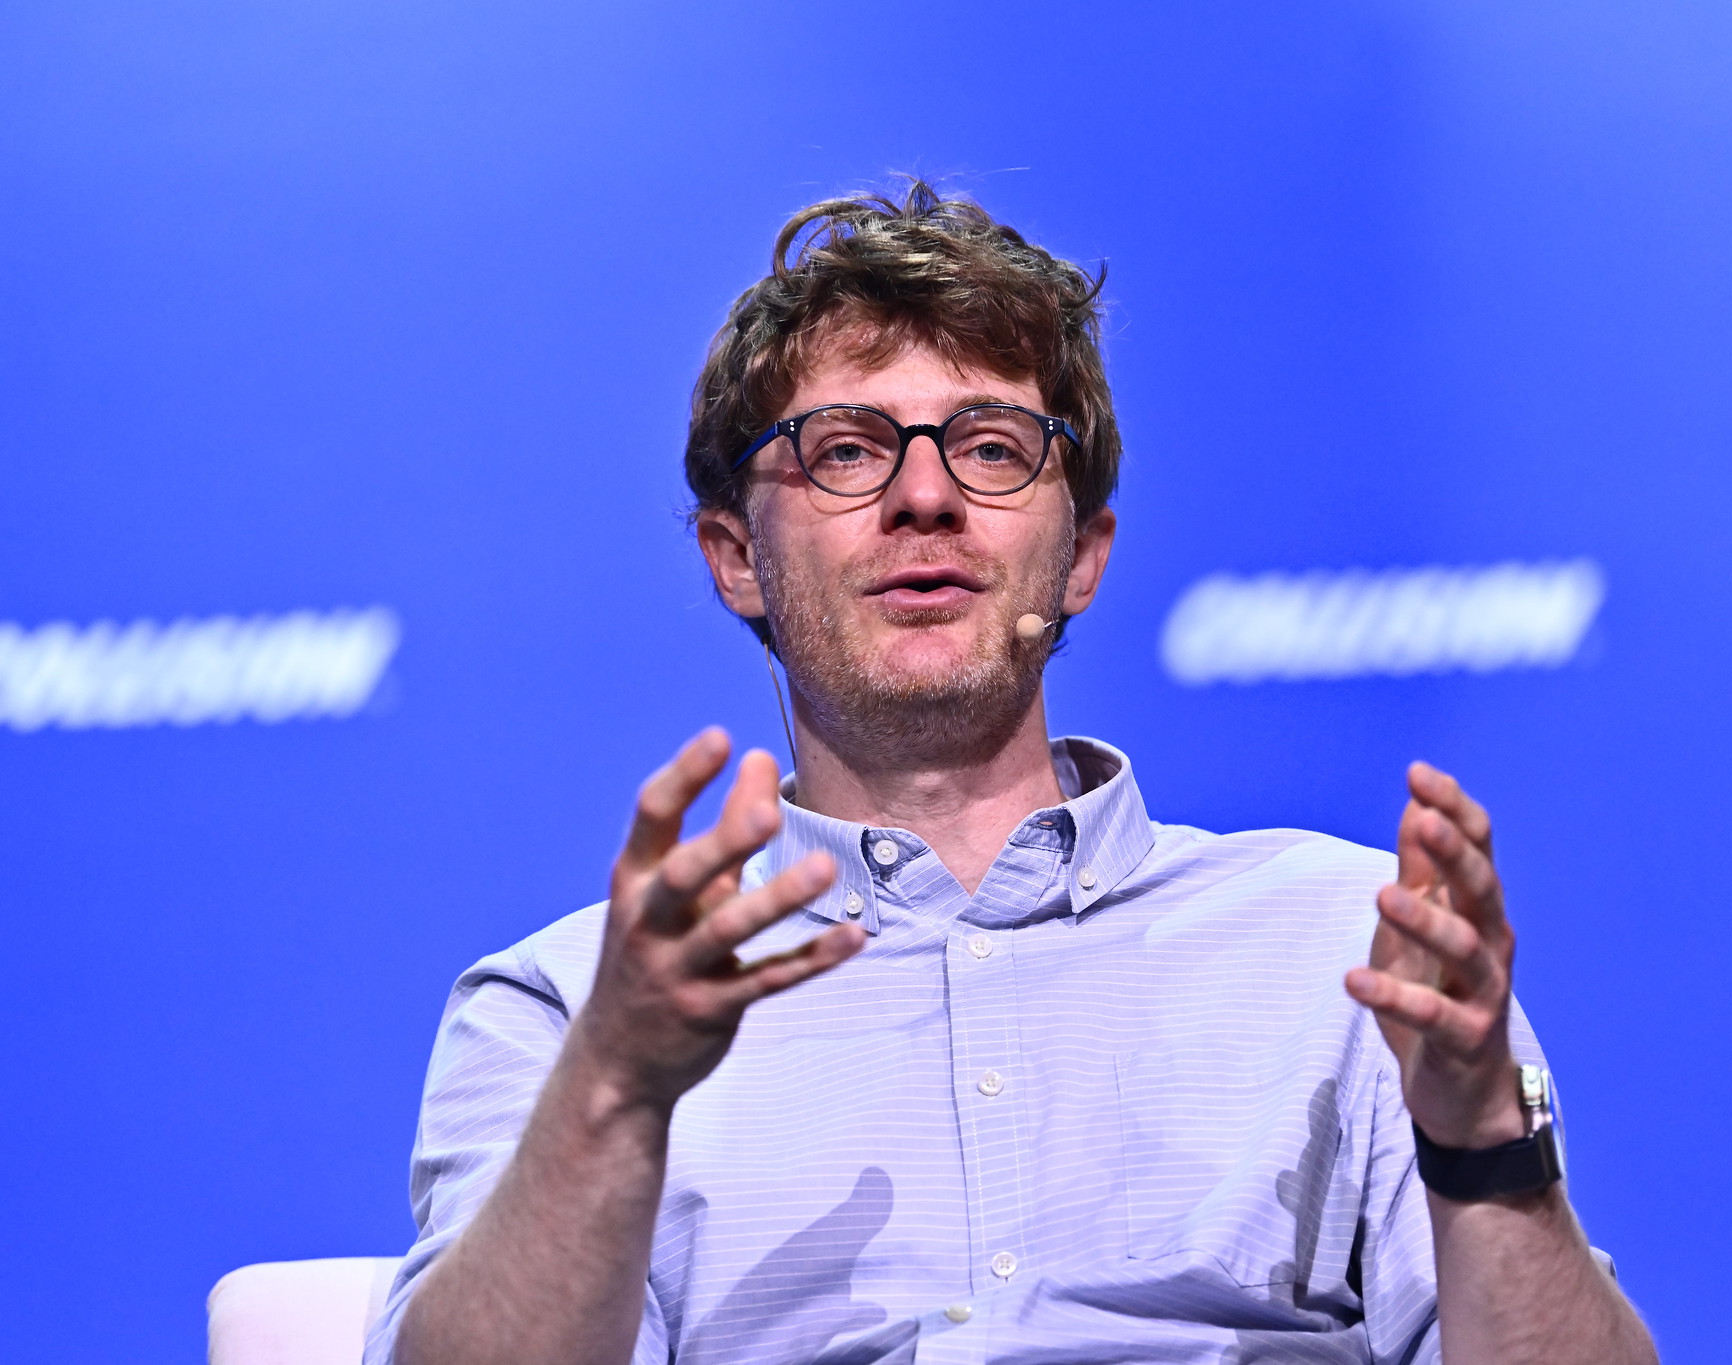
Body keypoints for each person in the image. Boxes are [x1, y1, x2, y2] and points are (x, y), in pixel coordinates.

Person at [368, 182, 1659, 1365]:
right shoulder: (565, 1012)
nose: (925, 496)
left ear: (1084, 553)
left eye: (990, 446)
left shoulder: (1352, 951)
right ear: (734, 555)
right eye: (846, 448)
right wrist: (618, 1085)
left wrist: (1485, 1143)